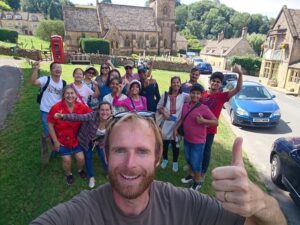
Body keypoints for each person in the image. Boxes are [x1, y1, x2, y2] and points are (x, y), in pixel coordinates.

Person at [31, 112, 287, 225]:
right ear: (106, 156)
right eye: (120, 150)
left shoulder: (187, 205)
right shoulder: (82, 213)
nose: (130, 164)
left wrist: (262, 203)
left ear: (157, 158)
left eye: (142, 151)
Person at [54, 101, 112, 188]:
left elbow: (108, 134)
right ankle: (91, 177)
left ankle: (108, 173)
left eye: (107, 110)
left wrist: (99, 140)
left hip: (99, 140)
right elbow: (78, 117)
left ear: (111, 111)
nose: (105, 112)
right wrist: (63, 116)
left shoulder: (112, 121)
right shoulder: (92, 116)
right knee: (88, 157)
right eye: (102, 110)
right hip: (86, 139)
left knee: (103, 156)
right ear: (98, 110)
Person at [200, 64, 243, 183]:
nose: (215, 83)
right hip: (199, 128)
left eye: (218, 82)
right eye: (213, 81)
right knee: (198, 150)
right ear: (210, 82)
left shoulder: (222, 96)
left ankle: (202, 172)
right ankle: (195, 169)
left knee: (206, 152)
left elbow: (238, 89)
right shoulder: (203, 94)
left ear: (220, 84)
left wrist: (240, 74)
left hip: (210, 130)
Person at [173, 84, 218, 191]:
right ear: (190, 93)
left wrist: (204, 121)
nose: (195, 95)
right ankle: (191, 175)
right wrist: (175, 129)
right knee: (188, 160)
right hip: (187, 139)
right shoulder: (185, 106)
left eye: (198, 93)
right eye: (193, 93)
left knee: (196, 162)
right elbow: (183, 119)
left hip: (198, 142)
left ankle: (198, 182)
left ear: (201, 95)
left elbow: (216, 122)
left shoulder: (204, 108)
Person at [47, 85, 91, 185]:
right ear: (63, 95)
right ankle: (68, 174)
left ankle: (80, 170)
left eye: (72, 93)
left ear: (76, 95)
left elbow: (91, 115)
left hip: (76, 139)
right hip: (62, 140)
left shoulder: (82, 107)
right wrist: (56, 141)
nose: (70, 95)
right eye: (67, 93)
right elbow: (50, 124)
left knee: (81, 158)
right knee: (67, 160)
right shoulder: (56, 107)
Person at [31, 61, 66, 162]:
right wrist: (36, 69)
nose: (57, 69)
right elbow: (33, 82)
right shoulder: (45, 79)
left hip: (58, 112)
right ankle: (53, 150)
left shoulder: (63, 83)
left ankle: (57, 147)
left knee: (58, 131)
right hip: (46, 111)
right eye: (55, 67)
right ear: (51, 70)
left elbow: (63, 97)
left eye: (59, 67)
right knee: (48, 132)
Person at [156, 76, 188, 172]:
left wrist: (193, 85)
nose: (176, 84)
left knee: (175, 144)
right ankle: (165, 159)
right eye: (174, 82)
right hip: (166, 124)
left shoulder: (184, 96)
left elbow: (197, 97)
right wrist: (163, 112)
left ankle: (175, 162)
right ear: (171, 84)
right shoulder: (165, 95)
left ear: (180, 84)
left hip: (177, 125)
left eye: (178, 82)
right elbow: (159, 106)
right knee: (165, 143)